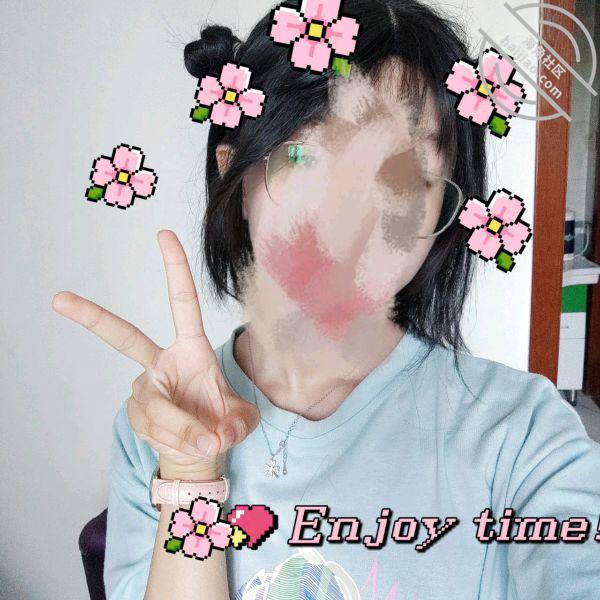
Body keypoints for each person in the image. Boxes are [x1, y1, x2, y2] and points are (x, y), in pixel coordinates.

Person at [53, 0, 600, 598]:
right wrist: (191, 474)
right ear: (235, 175)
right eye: (304, 155)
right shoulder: (160, 427)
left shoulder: (523, 434)